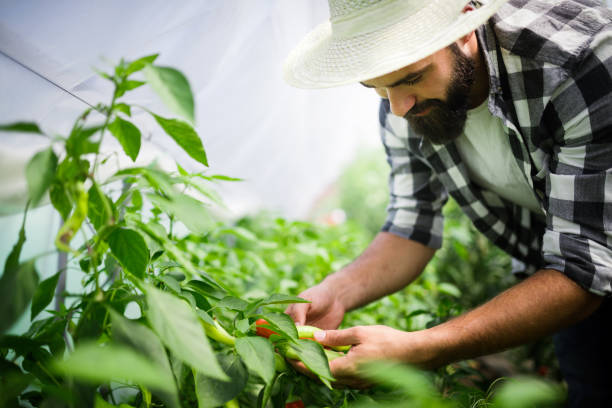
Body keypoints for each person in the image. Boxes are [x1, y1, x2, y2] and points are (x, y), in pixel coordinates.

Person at [282, 0, 612, 405]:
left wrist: (425, 346)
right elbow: (411, 227)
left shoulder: (576, 63)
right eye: (377, 88)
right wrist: (336, 291)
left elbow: (583, 264)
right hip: (571, 275)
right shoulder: (402, 101)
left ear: (463, 26)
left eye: (411, 77)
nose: (399, 109)